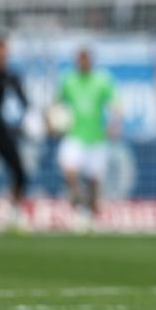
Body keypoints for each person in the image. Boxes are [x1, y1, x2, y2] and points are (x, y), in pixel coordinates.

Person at [55, 48, 120, 230]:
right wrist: (53, 120)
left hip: (96, 137)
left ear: (91, 60)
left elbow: (115, 104)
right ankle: (80, 206)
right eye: (80, 59)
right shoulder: (68, 80)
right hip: (74, 135)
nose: (83, 62)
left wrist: (115, 124)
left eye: (86, 59)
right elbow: (58, 104)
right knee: (69, 170)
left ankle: (89, 213)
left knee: (94, 181)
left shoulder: (102, 81)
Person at [0, 36, 29, 230]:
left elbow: (24, 101)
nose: (3, 56)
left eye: (5, 52)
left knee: (19, 170)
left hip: (0, 127)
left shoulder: (10, 76)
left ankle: (15, 211)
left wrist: (30, 119)